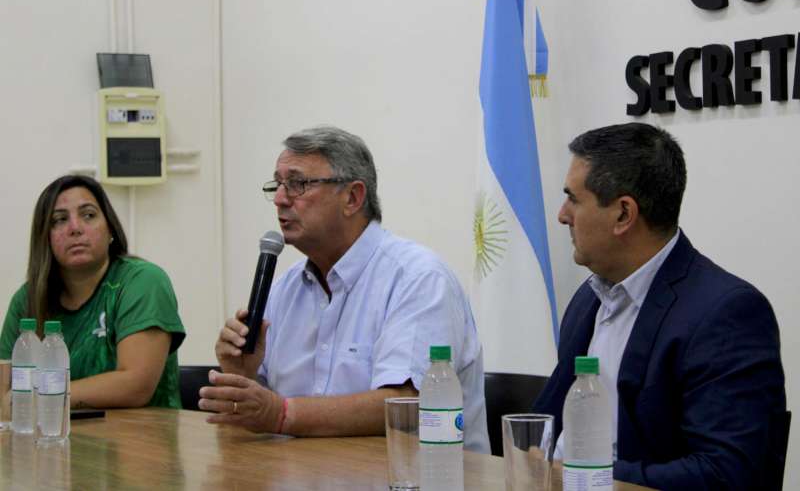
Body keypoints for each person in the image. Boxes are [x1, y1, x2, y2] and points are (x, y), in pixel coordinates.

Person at [202, 125, 490, 452]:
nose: (280, 199)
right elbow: (259, 411)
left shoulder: (418, 278)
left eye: (297, 184)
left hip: (416, 475)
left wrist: (282, 414)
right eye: (277, 185)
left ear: (352, 198)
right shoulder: (284, 289)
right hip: (303, 472)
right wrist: (243, 375)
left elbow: (406, 403)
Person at [533, 122, 786, 489]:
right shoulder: (589, 299)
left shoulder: (727, 314)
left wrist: (586, 477)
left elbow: (725, 474)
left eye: (573, 199)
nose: (562, 215)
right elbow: (544, 427)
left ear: (623, 214)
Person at [0, 175, 186, 408]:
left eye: (88, 215)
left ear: (110, 229)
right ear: (45, 238)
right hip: (57, 430)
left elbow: (135, 385)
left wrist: (40, 395)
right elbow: (4, 394)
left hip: (144, 430)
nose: (75, 228)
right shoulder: (27, 299)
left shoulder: (142, 281)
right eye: (59, 220)